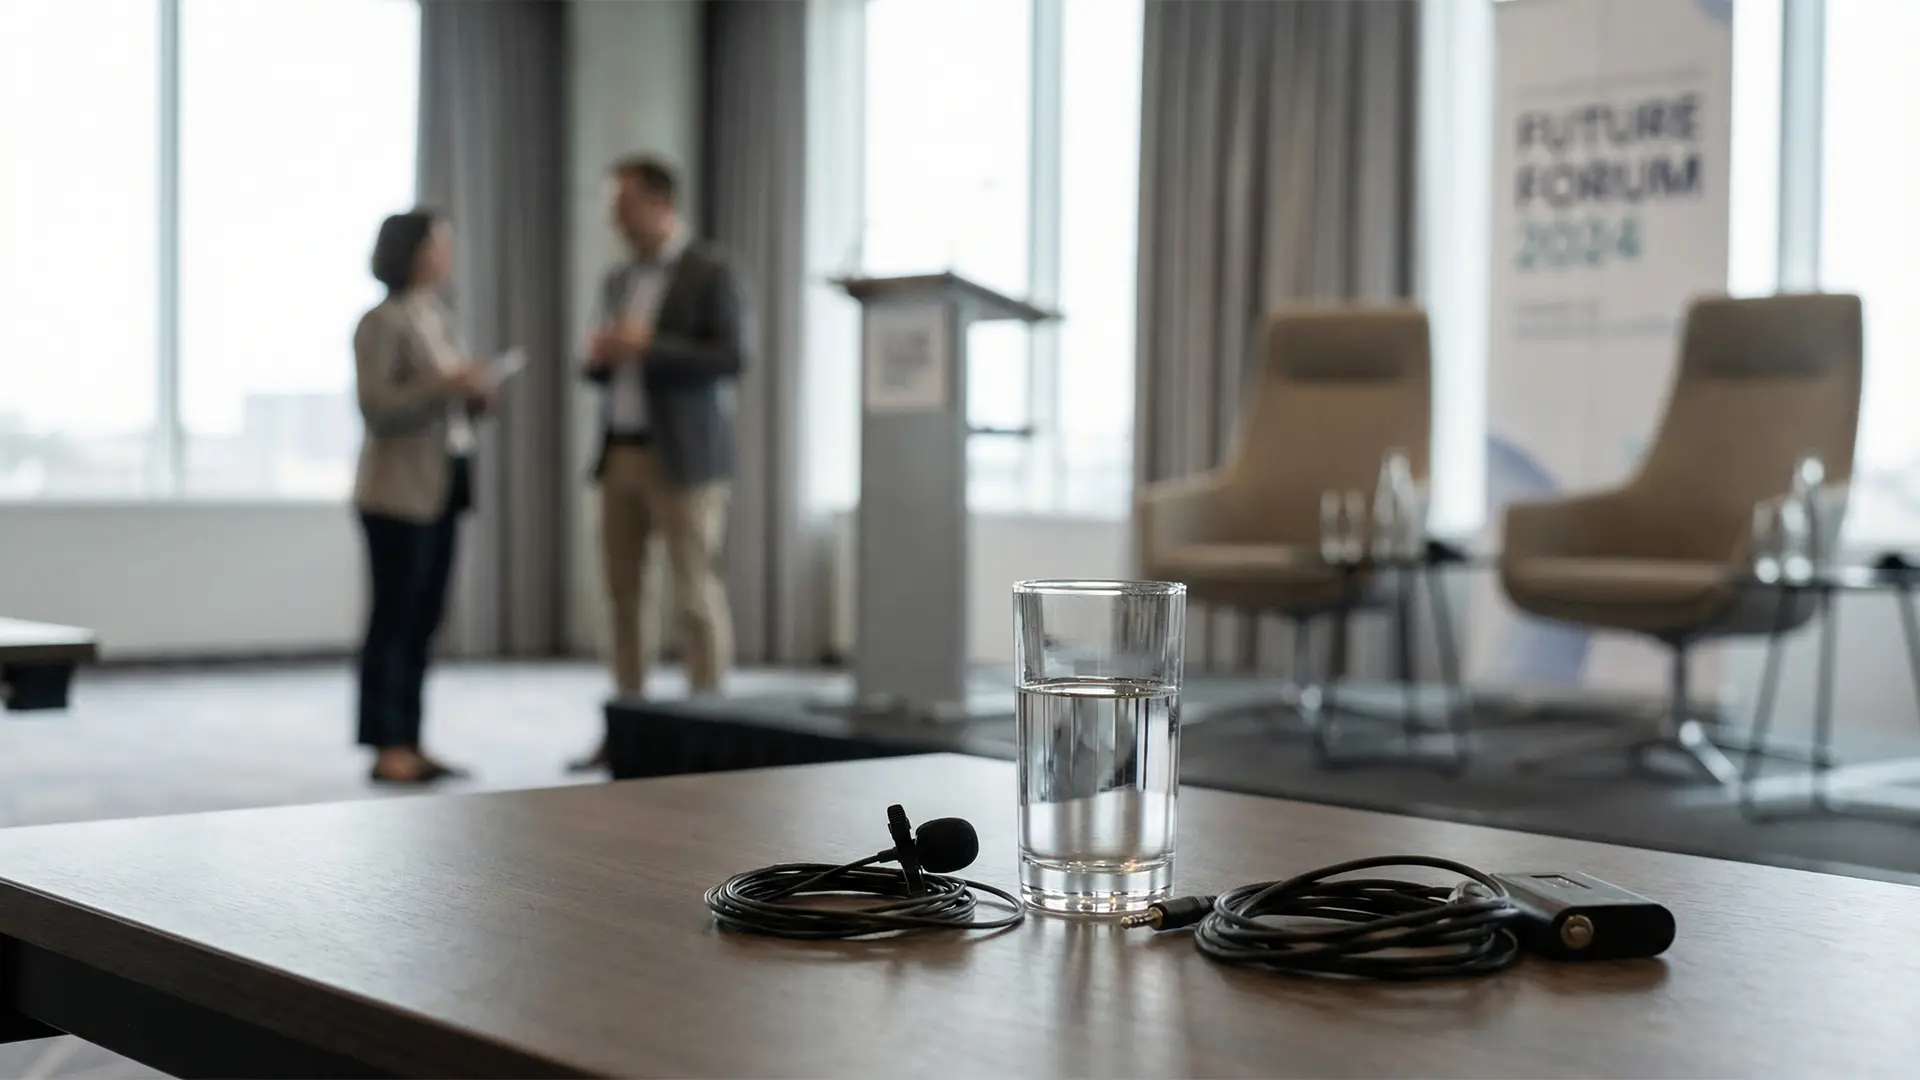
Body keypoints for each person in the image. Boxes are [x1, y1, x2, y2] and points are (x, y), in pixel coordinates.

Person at [571, 155, 747, 771]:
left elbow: (730, 357)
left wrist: (650, 346)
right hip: (618, 449)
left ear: (659, 202)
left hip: (686, 456)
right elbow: (599, 366)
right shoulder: (618, 278)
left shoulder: (710, 270)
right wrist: (598, 355)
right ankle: (627, 724)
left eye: (622, 207)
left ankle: (711, 724)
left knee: (694, 592)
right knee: (621, 594)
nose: (613, 220)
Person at [351, 211, 496, 783]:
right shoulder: (380, 320)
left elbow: (443, 402)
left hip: (444, 480)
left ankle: (411, 738)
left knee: (425, 618)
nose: (447, 255)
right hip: (395, 491)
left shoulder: (438, 315)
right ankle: (385, 745)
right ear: (410, 251)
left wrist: (476, 398)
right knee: (393, 617)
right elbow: (377, 407)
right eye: (439, 244)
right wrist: (449, 385)